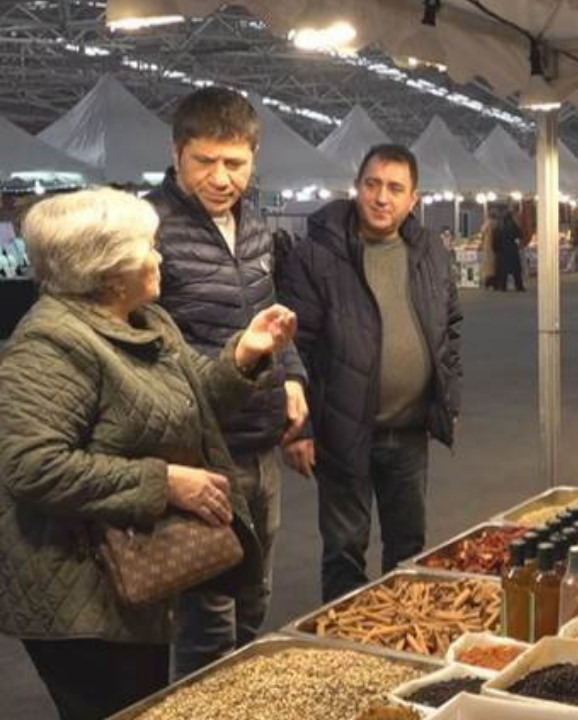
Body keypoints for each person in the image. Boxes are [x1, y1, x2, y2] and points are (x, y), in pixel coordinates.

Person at [0, 188, 293, 720]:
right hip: (77, 595)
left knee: (144, 702)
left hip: (131, 581)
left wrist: (244, 356)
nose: (159, 257)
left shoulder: (149, 321)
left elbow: (199, 399)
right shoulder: (50, 344)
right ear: (109, 271)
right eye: (148, 247)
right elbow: (32, 466)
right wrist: (165, 483)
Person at [145, 86, 308, 677]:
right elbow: (143, 347)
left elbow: (270, 310)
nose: (221, 178)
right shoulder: (149, 229)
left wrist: (291, 376)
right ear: (176, 153)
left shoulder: (256, 225)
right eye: (204, 161)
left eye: (235, 163)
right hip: (200, 451)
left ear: (254, 159)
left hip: (260, 442)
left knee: (254, 596)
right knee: (208, 615)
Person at [280, 144, 462, 602]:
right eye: (372, 184)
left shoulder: (429, 252)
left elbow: (450, 329)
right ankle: (343, 639)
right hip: (342, 430)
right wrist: (299, 428)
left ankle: (403, 631)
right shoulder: (317, 254)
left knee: (409, 549)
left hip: (410, 431)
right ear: (357, 187)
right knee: (345, 549)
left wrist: (449, 398)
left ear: (413, 199)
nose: (382, 197)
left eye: (395, 188)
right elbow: (294, 345)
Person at [494, 206, 525, 292]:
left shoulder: (499, 226)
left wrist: (497, 249)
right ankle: (519, 286)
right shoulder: (513, 225)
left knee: (503, 270)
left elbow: (496, 238)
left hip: (503, 250)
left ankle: (503, 286)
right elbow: (520, 235)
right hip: (512, 249)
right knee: (516, 270)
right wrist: (517, 242)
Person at [479, 206, 500, 290]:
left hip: (488, 245)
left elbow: (482, 232)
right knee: (495, 265)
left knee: (488, 266)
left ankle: (488, 283)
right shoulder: (497, 223)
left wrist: (481, 242)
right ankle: (495, 283)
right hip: (497, 246)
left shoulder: (487, 223)